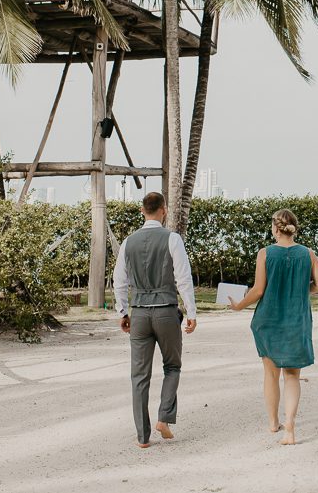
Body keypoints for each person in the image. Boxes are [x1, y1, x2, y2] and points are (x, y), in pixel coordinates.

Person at [229, 209, 318, 445]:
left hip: (269, 320)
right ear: (294, 228)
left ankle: (273, 423)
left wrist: (239, 305)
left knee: (270, 375)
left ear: (275, 229)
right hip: (297, 320)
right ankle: (290, 428)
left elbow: (258, 290)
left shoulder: (265, 254)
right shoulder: (308, 254)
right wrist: (304, 288)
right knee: (292, 376)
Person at [112, 192, 198, 448]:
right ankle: (164, 417)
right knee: (172, 366)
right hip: (165, 312)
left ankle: (142, 436)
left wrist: (122, 312)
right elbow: (183, 279)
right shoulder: (172, 239)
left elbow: (120, 281)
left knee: (139, 376)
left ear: (142, 211)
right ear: (164, 210)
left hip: (138, 313)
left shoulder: (128, 242)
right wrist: (191, 312)